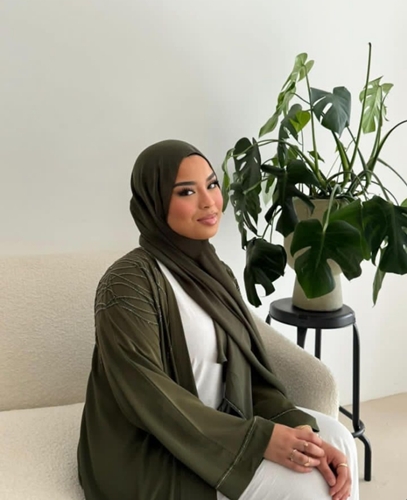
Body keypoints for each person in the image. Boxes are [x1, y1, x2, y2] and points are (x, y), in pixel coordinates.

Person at [77, 139, 359, 500]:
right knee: (310, 484)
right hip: (154, 446)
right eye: (186, 191)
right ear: (154, 202)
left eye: (211, 184)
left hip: (223, 425)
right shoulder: (127, 282)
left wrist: (296, 428)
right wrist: (259, 441)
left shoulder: (217, 273)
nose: (209, 202)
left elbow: (250, 377)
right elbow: (147, 396)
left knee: (337, 439)